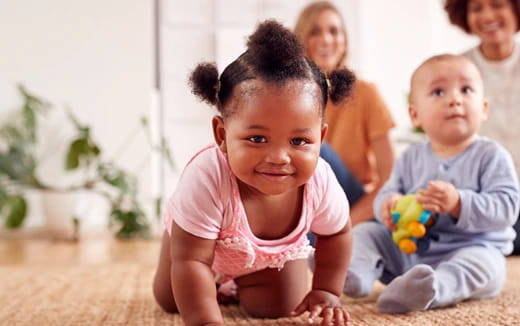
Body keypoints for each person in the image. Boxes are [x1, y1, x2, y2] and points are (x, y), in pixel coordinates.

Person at [152, 20, 356, 326]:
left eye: (299, 141)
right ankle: (212, 284)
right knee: (173, 300)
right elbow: (192, 261)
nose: (278, 158)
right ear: (221, 134)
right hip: (194, 249)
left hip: (266, 262)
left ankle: (239, 285)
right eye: (257, 139)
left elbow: (338, 234)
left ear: (321, 138)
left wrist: (326, 290)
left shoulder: (320, 181)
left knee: (281, 306)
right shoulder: (207, 177)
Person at [342, 54, 519, 314]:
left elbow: (507, 207)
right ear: (415, 115)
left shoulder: (492, 156)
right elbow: (390, 191)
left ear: (483, 108)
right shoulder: (411, 157)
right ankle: (355, 273)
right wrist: (387, 207)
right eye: (438, 92)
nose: (455, 99)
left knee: (485, 265)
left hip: (471, 248)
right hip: (410, 251)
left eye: (466, 89)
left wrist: (459, 203)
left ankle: (432, 288)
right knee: (367, 233)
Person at [294, 1, 395, 226]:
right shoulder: (290, 98)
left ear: (344, 41)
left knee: (317, 150)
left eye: (334, 31)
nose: (327, 39)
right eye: (314, 32)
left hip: (355, 203)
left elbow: (390, 179)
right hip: (309, 206)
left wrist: (345, 225)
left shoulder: (366, 93)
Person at [444, 0, 520, 254]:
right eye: (476, 8)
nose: (487, 15)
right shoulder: (457, 70)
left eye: (497, 4)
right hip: (481, 195)